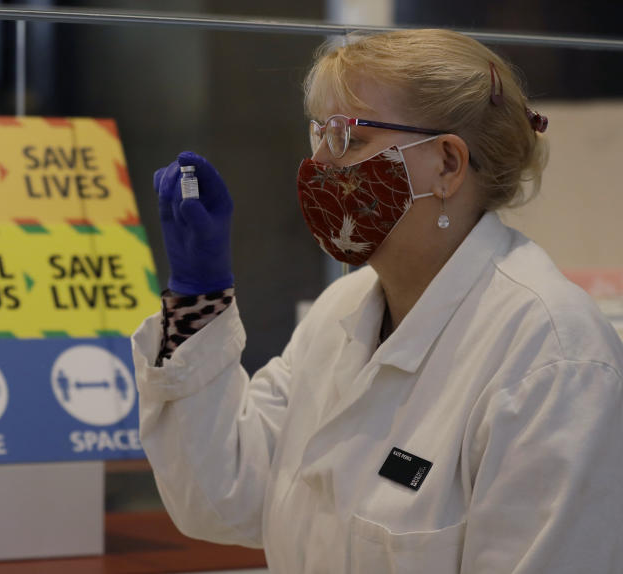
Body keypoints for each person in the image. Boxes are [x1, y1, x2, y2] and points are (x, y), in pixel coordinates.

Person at [131, 29, 623, 574]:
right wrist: (198, 299)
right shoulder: (340, 310)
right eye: (317, 133)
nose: (319, 162)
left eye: (346, 137)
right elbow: (223, 499)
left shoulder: (553, 357)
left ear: (447, 164)